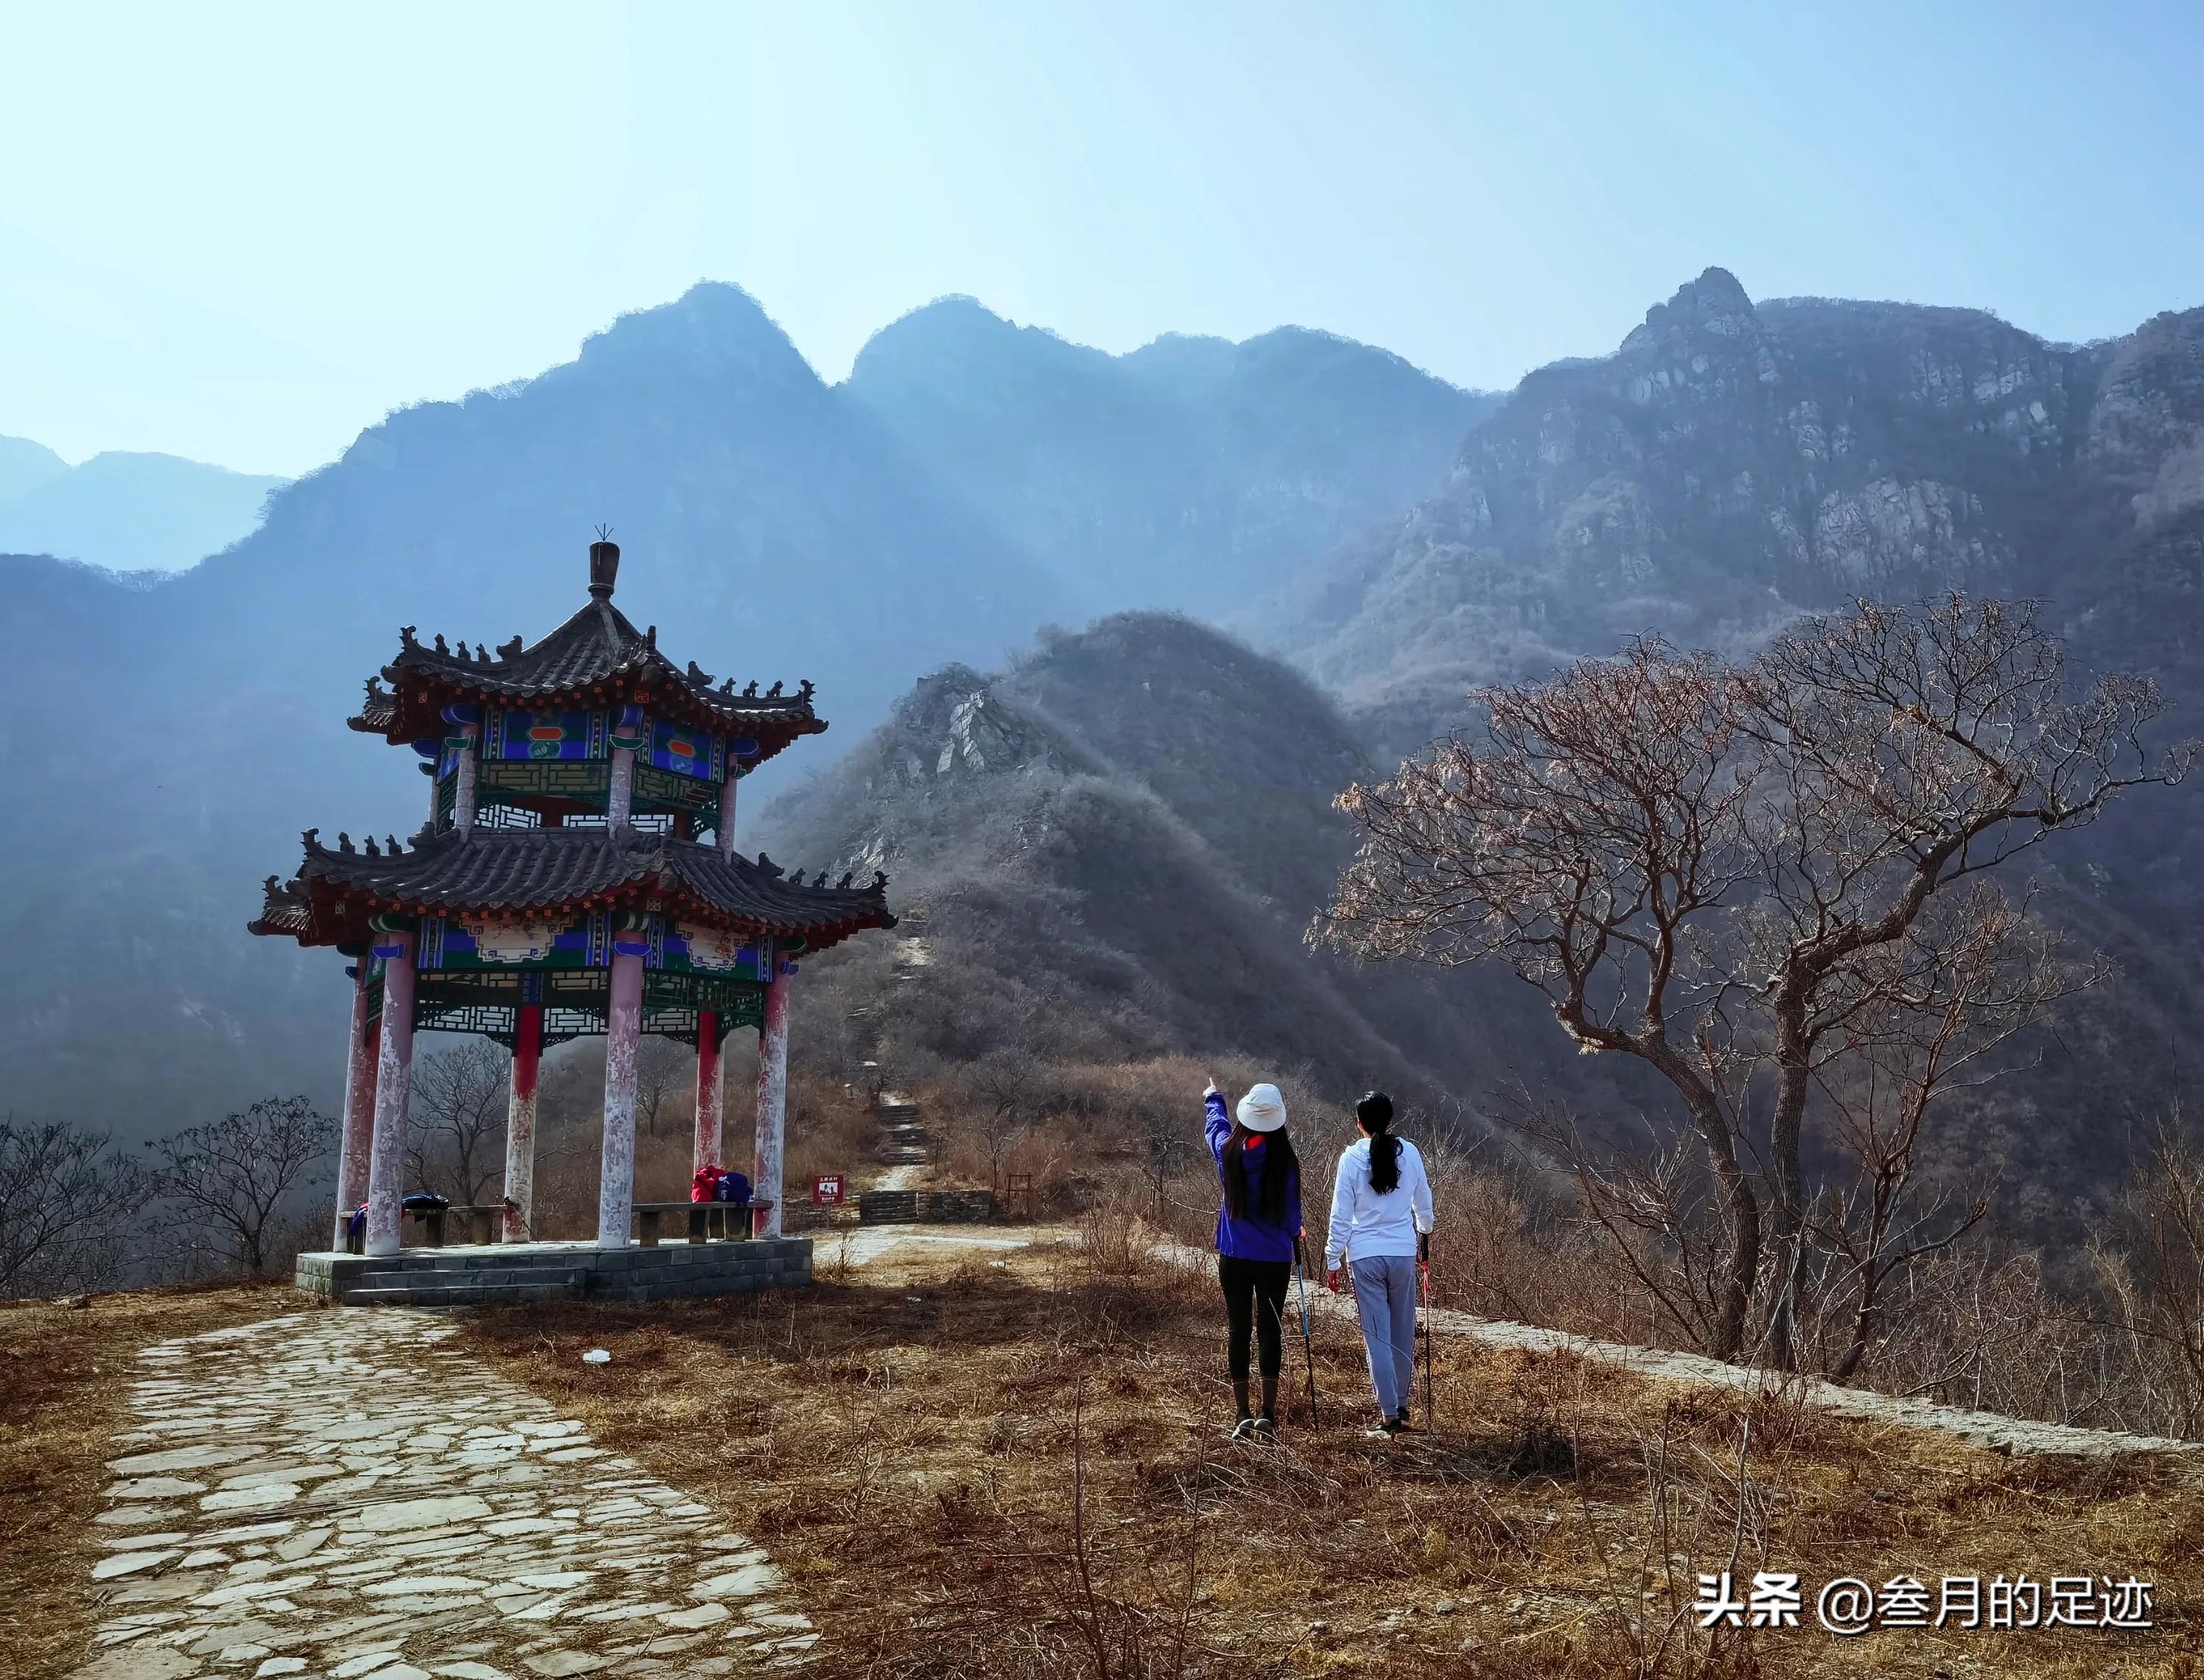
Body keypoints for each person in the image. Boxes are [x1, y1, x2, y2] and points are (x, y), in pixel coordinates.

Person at [1324, 1091, 1435, 1435]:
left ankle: (1388, 1415)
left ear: (1359, 1124)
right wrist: (1424, 1231)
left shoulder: (1351, 1159)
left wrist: (1332, 1259)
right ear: (1391, 1121)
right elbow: (1424, 1205)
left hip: (1365, 1256)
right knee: (1403, 1332)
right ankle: (1402, 1408)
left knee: (1378, 1336)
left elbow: (1341, 1216)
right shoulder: (1410, 1152)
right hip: (1402, 1254)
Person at [1205, 1074, 1303, 1441]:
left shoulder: (1229, 1153)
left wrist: (1214, 1098)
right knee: (1270, 1331)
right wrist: (1297, 1230)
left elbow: (1215, 1129)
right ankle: (1269, 1414)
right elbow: (1293, 1215)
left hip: (1236, 1256)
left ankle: (1242, 1412)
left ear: (1246, 1117)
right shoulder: (1286, 1163)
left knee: (1239, 1329)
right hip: (1275, 1259)